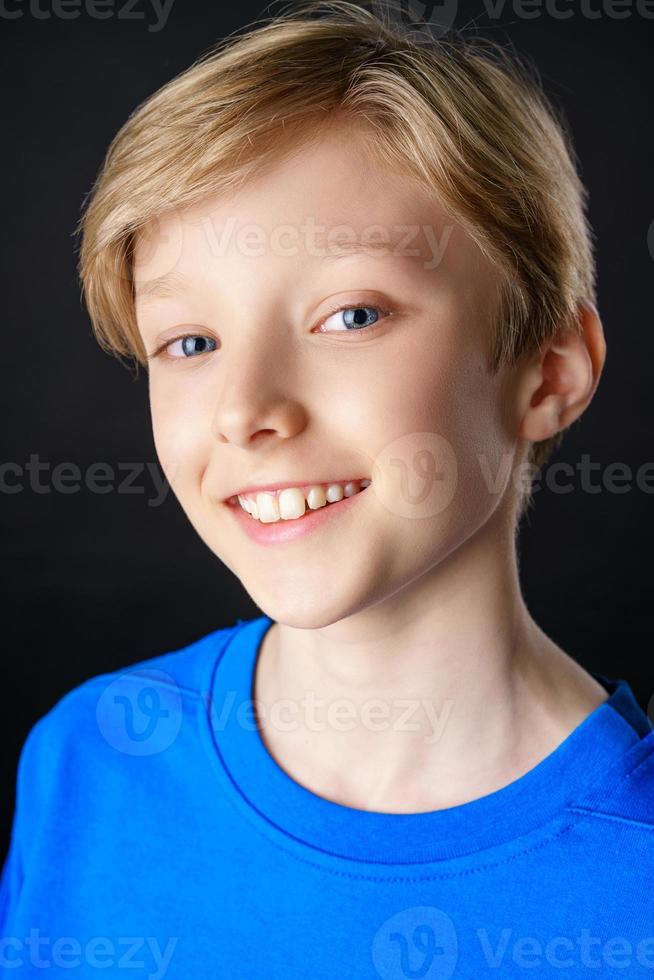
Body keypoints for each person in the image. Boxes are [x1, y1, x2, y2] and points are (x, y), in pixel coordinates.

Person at [2, 1, 653, 976]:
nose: (244, 408)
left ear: (549, 370)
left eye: (350, 314)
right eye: (191, 341)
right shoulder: (87, 760)